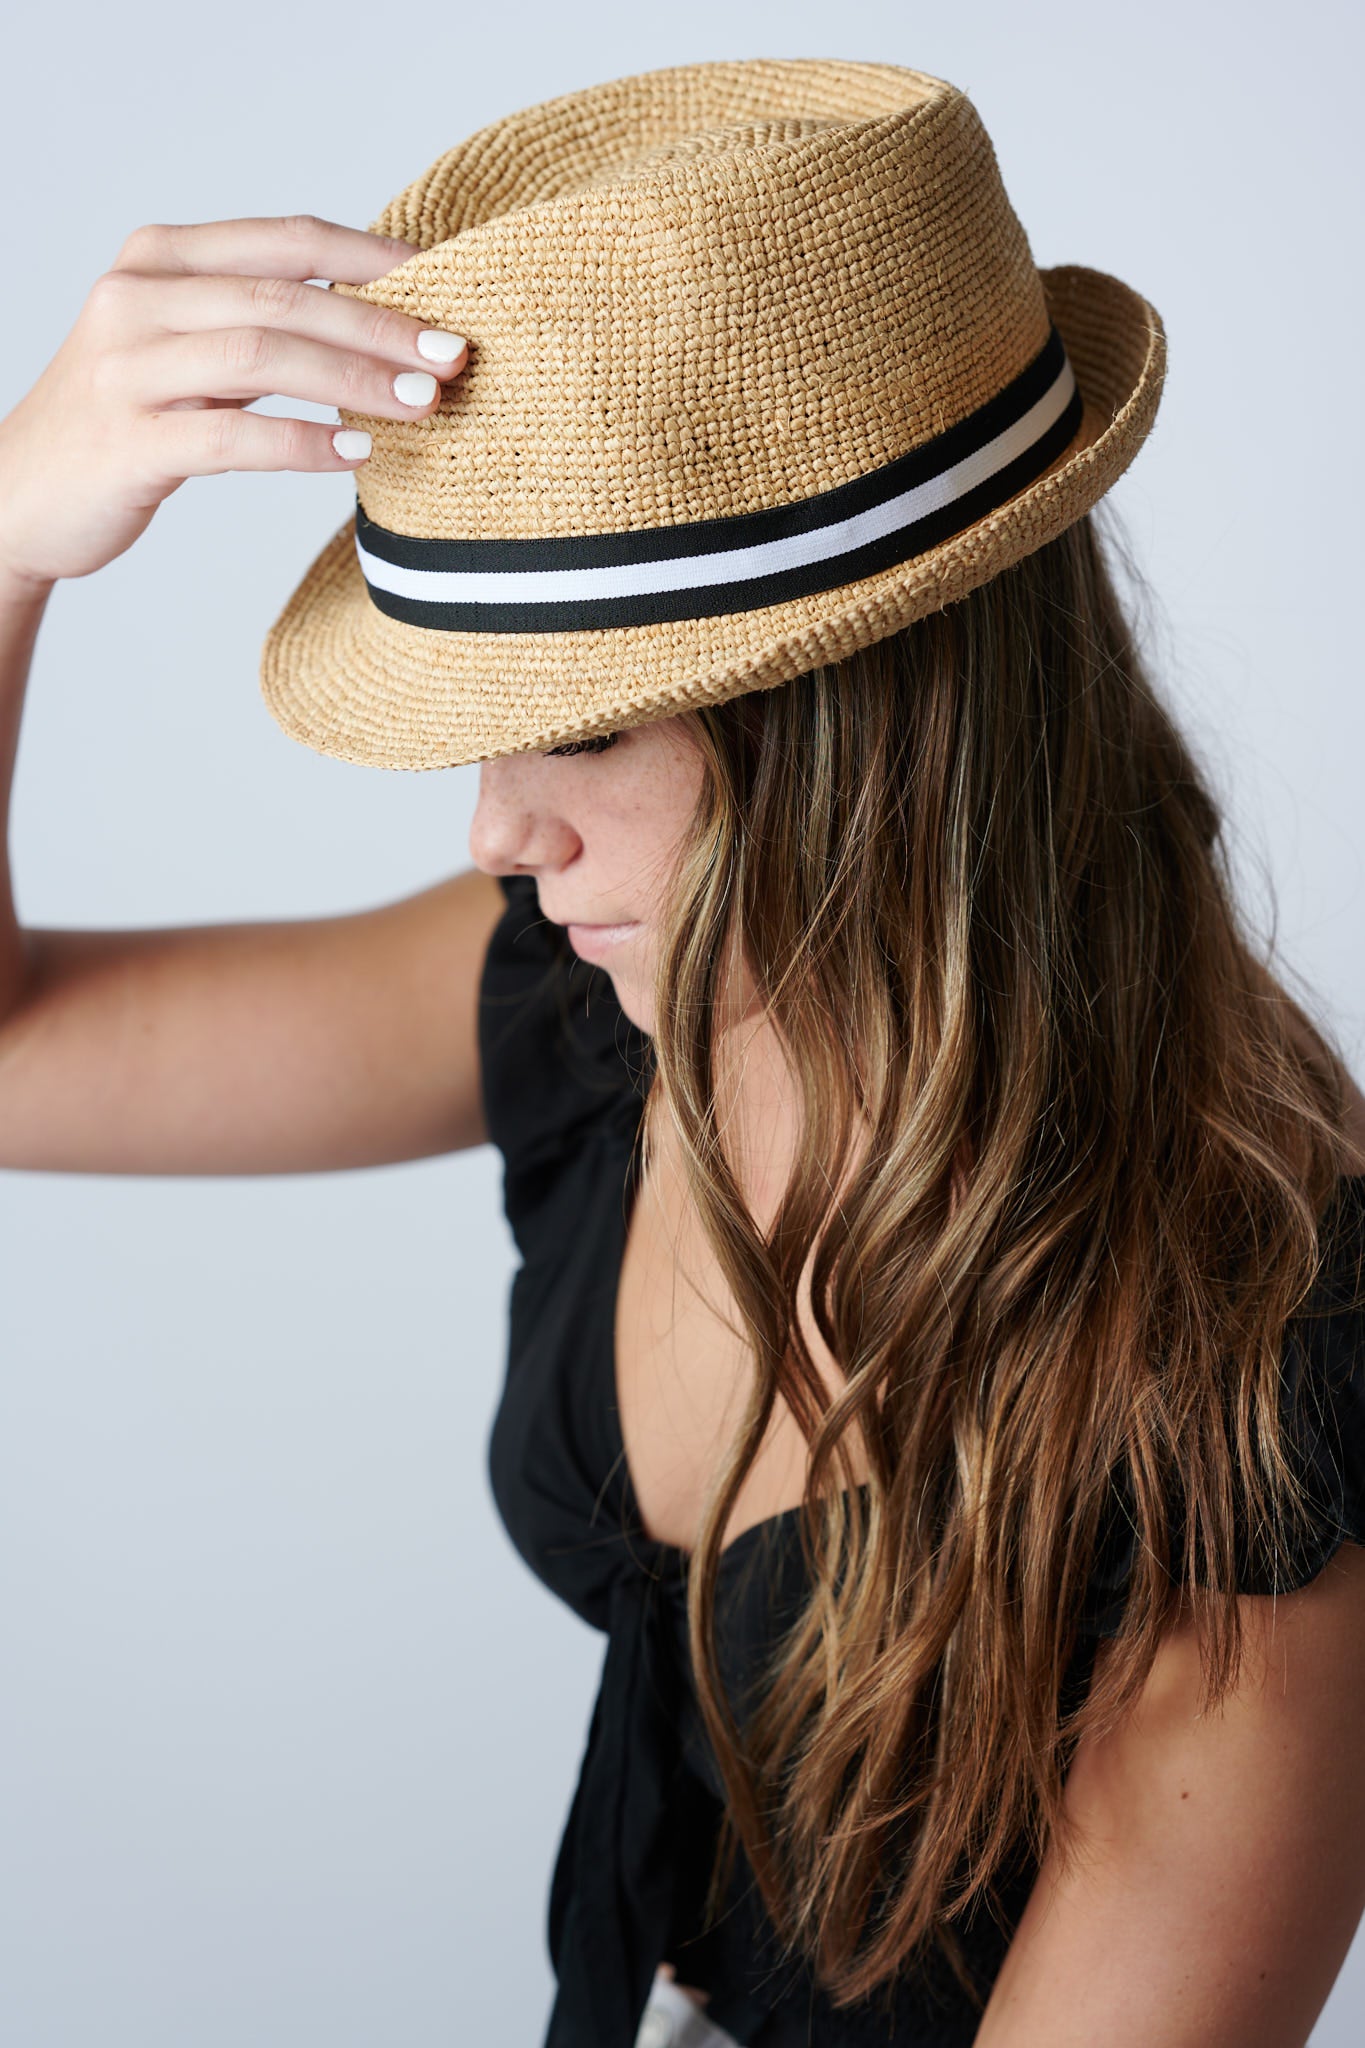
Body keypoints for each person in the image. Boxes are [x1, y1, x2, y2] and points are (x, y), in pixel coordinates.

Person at [1, 54, 1363, 2048]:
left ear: (861, 722)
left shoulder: (1241, 1390)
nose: (495, 830)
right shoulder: (597, 992)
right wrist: (8, 546)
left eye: (584, 726)